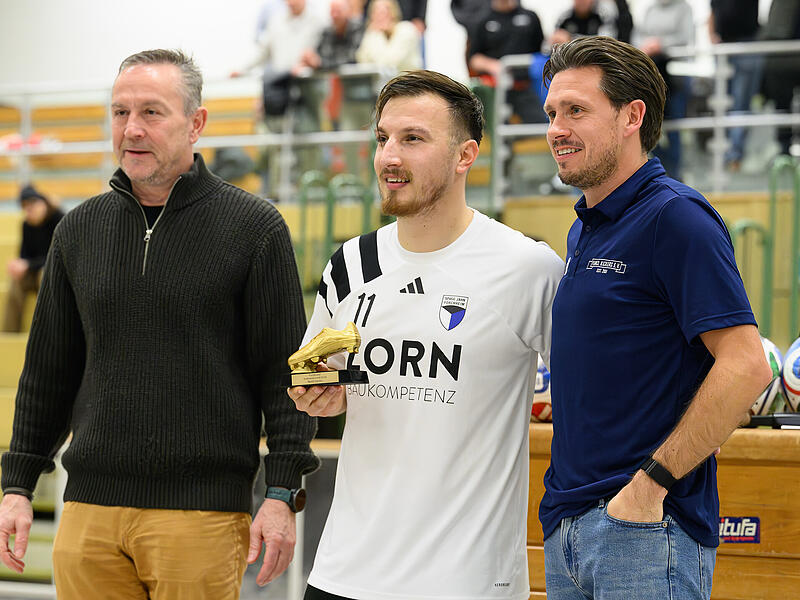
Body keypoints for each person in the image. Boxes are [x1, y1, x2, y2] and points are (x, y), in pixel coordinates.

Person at [0, 49, 319, 599]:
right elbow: (47, 374)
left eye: (151, 112)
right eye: (120, 112)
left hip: (202, 514)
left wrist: (283, 490)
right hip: (89, 510)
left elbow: (286, 372)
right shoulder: (77, 231)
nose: (132, 129)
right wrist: (17, 486)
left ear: (196, 123)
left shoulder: (255, 228)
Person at [289, 69, 564, 600]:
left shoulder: (528, 268)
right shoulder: (350, 264)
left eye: (413, 138)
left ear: (465, 155)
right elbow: (324, 382)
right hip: (344, 573)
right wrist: (319, 395)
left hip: (466, 583)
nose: (389, 156)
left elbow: (587, 396)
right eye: (383, 138)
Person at [539, 36, 773, 599]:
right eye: (551, 113)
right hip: (568, 527)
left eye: (576, 110)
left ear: (632, 117)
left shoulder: (676, 217)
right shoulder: (585, 229)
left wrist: (650, 486)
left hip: (644, 532)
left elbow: (746, 366)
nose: (556, 129)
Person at [634, 0, 695, 180]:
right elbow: (637, 38)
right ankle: (662, 172)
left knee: (674, 129)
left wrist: (660, 44)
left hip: (676, 78)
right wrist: (647, 47)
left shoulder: (684, 8)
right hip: (650, 78)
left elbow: (686, 38)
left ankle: (675, 175)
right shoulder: (649, 10)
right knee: (647, 128)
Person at [467, 0, 546, 123]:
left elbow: (542, 52)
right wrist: (494, 66)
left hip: (525, 86)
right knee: (484, 124)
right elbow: (473, 59)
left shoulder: (530, 17)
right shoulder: (482, 20)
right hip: (494, 89)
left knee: (540, 124)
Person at [709, 0, 762, 171]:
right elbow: (712, 11)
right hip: (723, 46)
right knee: (723, 104)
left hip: (746, 44)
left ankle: (734, 155)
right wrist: (712, 36)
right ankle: (726, 154)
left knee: (740, 103)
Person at [2, 185, 64, 333]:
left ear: (42, 202)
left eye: (32, 204)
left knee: (45, 274)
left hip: (57, 272)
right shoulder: (27, 225)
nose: (30, 210)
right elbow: (24, 254)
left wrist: (28, 264)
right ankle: (9, 332)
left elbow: (58, 256)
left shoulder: (59, 219)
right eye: (25, 207)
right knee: (16, 281)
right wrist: (19, 266)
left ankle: (51, 331)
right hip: (35, 270)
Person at [761, 0, 800, 157]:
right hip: (782, 59)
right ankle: (784, 151)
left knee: (783, 106)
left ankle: (784, 149)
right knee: (782, 106)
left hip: (782, 58)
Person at [356, 0, 422, 72]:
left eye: (384, 11)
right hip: (382, 79)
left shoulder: (406, 30)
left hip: (407, 78)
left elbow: (389, 64)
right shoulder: (372, 34)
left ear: (393, 12)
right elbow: (362, 60)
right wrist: (372, 34)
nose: (380, 16)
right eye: (376, 12)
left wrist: (376, 35)